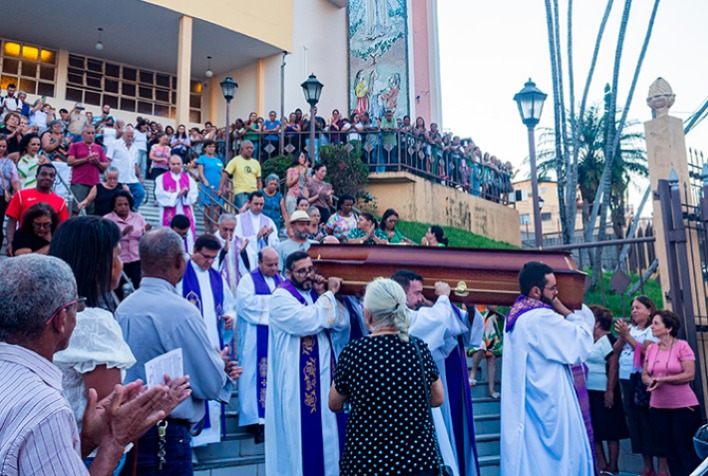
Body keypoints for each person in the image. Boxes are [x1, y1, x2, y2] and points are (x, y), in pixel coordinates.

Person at [0, 254, 190, 476]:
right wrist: (116, 442)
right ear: (61, 319)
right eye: (76, 305)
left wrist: (89, 439)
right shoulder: (45, 407)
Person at [116, 228, 241, 475]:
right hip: (165, 433)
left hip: (130, 428)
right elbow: (210, 384)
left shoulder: (125, 308)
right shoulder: (181, 311)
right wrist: (218, 365)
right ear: (178, 262)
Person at [49, 217, 139, 473]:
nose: (121, 265)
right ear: (99, 263)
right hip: (88, 456)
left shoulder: (49, 315)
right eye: (117, 255)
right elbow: (107, 413)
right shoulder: (94, 322)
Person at [329, 278, 445, 476]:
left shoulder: (354, 352)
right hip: (418, 461)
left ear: (368, 314)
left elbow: (334, 403)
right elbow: (437, 398)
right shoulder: (418, 348)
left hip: (366, 462)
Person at [501, 261, 594, 475]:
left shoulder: (516, 316)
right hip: (551, 402)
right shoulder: (541, 318)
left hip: (531, 400)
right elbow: (580, 342)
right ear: (536, 291)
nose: (557, 293)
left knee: (533, 458)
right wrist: (565, 310)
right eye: (552, 289)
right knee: (560, 460)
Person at [265, 251, 347, 476]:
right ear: (288, 273)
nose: (308, 275)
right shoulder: (280, 298)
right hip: (297, 386)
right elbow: (307, 322)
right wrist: (328, 296)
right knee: (302, 441)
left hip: (327, 378)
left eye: (311, 269)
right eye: (302, 271)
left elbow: (341, 321)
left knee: (332, 437)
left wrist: (325, 296)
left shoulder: (315, 294)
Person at [391, 270, 477, 475]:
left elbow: (445, 341)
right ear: (401, 294)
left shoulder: (411, 314)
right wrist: (444, 298)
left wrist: (446, 307)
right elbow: (435, 322)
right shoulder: (398, 317)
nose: (421, 298)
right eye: (417, 293)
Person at [177, 233, 237, 447]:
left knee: (210, 383)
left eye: (213, 258)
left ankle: (208, 438)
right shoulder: (181, 275)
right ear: (194, 251)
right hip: (190, 344)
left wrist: (230, 318)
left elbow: (230, 304)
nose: (209, 262)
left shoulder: (217, 277)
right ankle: (189, 443)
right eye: (205, 257)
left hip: (214, 341)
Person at [642, 310, 702, 476]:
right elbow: (645, 374)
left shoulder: (682, 346)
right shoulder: (651, 349)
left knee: (685, 449)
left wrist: (664, 380)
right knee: (669, 451)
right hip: (658, 407)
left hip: (683, 407)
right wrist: (650, 381)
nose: (652, 327)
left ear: (668, 328)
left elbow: (689, 374)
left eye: (656, 323)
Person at [235, 247, 283, 444]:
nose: (274, 268)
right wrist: (275, 304)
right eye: (269, 264)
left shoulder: (280, 280)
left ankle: (267, 421)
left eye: (276, 264)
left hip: (275, 338)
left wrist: (274, 304)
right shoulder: (247, 280)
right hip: (255, 340)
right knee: (252, 379)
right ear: (259, 263)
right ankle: (254, 421)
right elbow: (246, 305)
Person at [614, 295, 661, 476]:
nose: (634, 311)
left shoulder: (652, 330)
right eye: (633, 308)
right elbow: (616, 350)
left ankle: (661, 467)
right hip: (627, 379)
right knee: (635, 423)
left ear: (649, 310)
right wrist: (622, 336)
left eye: (638, 307)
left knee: (649, 422)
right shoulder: (632, 329)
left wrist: (628, 337)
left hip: (644, 379)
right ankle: (647, 466)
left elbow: (646, 351)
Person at [586, 305, 630, 476]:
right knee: (594, 429)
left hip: (605, 390)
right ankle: (602, 464)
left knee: (611, 429)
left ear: (596, 323)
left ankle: (613, 466)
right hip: (589, 391)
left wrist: (609, 391)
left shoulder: (608, 340)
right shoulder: (588, 339)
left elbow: (613, 365)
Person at [5, 163, 68, 256]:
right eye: (44, 174)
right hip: (24, 242)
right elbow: (11, 221)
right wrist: (10, 242)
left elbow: (62, 228)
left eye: (51, 175)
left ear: (54, 179)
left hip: (47, 245)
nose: (47, 177)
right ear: (36, 176)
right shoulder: (21, 195)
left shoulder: (60, 202)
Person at [103, 191, 150, 292]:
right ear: (114, 206)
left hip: (136, 259)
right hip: (118, 261)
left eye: (126, 204)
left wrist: (147, 232)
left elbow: (144, 236)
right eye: (119, 204)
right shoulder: (107, 220)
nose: (123, 207)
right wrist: (121, 234)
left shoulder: (138, 218)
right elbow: (104, 240)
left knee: (140, 287)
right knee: (117, 289)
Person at [155, 155, 199, 253]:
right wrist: (177, 195)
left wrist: (186, 194)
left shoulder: (189, 179)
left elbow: (194, 196)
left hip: (185, 211)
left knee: (188, 237)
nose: (176, 166)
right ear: (169, 165)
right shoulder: (161, 178)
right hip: (169, 211)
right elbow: (160, 195)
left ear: (182, 165)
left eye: (178, 164)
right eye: (173, 164)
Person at [234, 191, 280, 275]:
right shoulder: (238, 219)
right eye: (256, 204)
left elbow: (275, 245)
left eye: (261, 204)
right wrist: (256, 238)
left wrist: (267, 239)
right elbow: (236, 240)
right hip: (244, 263)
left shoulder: (269, 222)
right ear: (249, 203)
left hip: (262, 265)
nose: (259, 207)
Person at [67, 125, 110, 214]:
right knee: (75, 210)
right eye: (88, 133)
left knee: (93, 212)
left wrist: (97, 162)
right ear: (83, 134)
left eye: (93, 133)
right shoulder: (75, 146)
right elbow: (70, 162)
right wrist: (86, 159)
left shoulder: (99, 148)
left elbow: (106, 165)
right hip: (79, 182)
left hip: (94, 184)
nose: (91, 135)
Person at [468, 305, 504, 399]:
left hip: (490, 320)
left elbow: (494, 307)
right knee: (480, 345)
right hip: (477, 317)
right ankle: (472, 375)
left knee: (492, 356)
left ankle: (491, 391)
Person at [106, 128, 145, 208]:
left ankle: (131, 210)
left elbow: (135, 164)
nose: (130, 138)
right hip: (119, 179)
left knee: (141, 193)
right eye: (128, 136)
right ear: (123, 134)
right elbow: (108, 160)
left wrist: (140, 176)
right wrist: (107, 174)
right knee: (117, 199)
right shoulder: (114, 144)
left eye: (131, 136)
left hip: (132, 179)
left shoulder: (135, 148)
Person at [219, 140, 261, 209]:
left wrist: (260, 193)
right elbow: (225, 174)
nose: (250, 150)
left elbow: (259, 180)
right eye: (247, 148)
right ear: (242, 149)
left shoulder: (256, 162)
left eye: (251, 148)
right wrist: (220, 189)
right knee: (242, 214)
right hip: (240, 192)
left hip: (254, 193)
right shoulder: (235, 160)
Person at [196, 139, 224, 232]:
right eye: (209, 147)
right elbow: (200, 172)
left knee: (217, 207)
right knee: (207, 207)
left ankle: (214, 227)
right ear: (205, 148)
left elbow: (222, 173)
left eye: (213, 147)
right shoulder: (202, 159)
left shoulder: (218, 160)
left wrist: (223, 186)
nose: (212, 148)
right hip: (207, 186)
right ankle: (207, 228)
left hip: (217, 186)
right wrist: (204, 181)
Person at [0, 136, 20, 246]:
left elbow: (14, 180)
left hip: (2, 197)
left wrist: (18, 194)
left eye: (4, 146)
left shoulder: (9, 163)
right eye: (0, 146)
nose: (1, 149)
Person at [285, 151, 310, 217]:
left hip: (302, 196)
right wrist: (297, 177)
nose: (303, 159)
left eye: (304, 157)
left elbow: (309, 184)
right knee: (292, 217)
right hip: (292, 196)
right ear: (297, 157)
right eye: (302, 157)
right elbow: (288, 184)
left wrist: (305, 173)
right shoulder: (291, 170)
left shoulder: (306, 170)